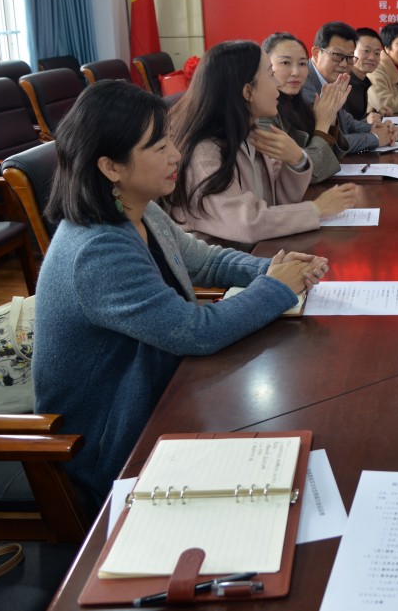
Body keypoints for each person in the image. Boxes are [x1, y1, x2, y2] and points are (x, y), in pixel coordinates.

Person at [33, 80, 328, 506]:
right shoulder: (97, 250)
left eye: (171, 139)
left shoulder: (137, 208)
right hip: (115, 442)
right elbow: (194, 331)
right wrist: (276, 288)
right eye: (159, 147)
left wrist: (273, 268)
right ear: (111, 167)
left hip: (165, 390)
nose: (176, 155)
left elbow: (205, 261)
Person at [166, 39, 359, 245]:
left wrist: (297, 161)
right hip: (226, 262)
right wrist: (316, 209)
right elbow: (246, 223)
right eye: (271, 74)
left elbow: (277, 202)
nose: (277, 84)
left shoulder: (250, 132)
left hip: (259, 251)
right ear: (248, 92)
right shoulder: (204, 152)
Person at [261, 32, 354, 183]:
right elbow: (309, 173)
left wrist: (330, 117)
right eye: (286, 63)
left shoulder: (299, 103)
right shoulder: (261, 115)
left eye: (302, 64)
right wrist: (322, 124)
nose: (296, 72)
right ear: (264, 66)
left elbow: (331, 159)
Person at [305, 21, 397, 152]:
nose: (344, 64)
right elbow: (328, 142)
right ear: (316, 53)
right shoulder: (305, 85)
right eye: (337, 55)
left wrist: (380, 129)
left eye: (349, 57)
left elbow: (346, 122)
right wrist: (375, 138)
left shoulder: (333, 80)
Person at [347, 27, 390, 123]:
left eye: (377, 53)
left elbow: (356, 117)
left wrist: (377, 113)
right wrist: (366, 121)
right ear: (351, 51)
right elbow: (342, 125)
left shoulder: (362, 82)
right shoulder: (343, 82)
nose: (372, 58)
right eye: (366, 51)